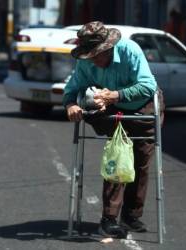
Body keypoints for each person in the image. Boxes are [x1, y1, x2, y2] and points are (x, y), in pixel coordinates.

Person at [63, 21, 164, 238]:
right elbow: (72, 88)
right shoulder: (87, 61)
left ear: (109, 48)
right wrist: (71, 104)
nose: (94, 60)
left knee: (141, 160)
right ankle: (109, 218)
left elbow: (148, 86)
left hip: (142, 105)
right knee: (119, 157)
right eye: (90, 55)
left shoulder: (130, 51)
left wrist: (115, 95)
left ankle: (131, 215)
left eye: (97, 55)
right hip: (112, 108)